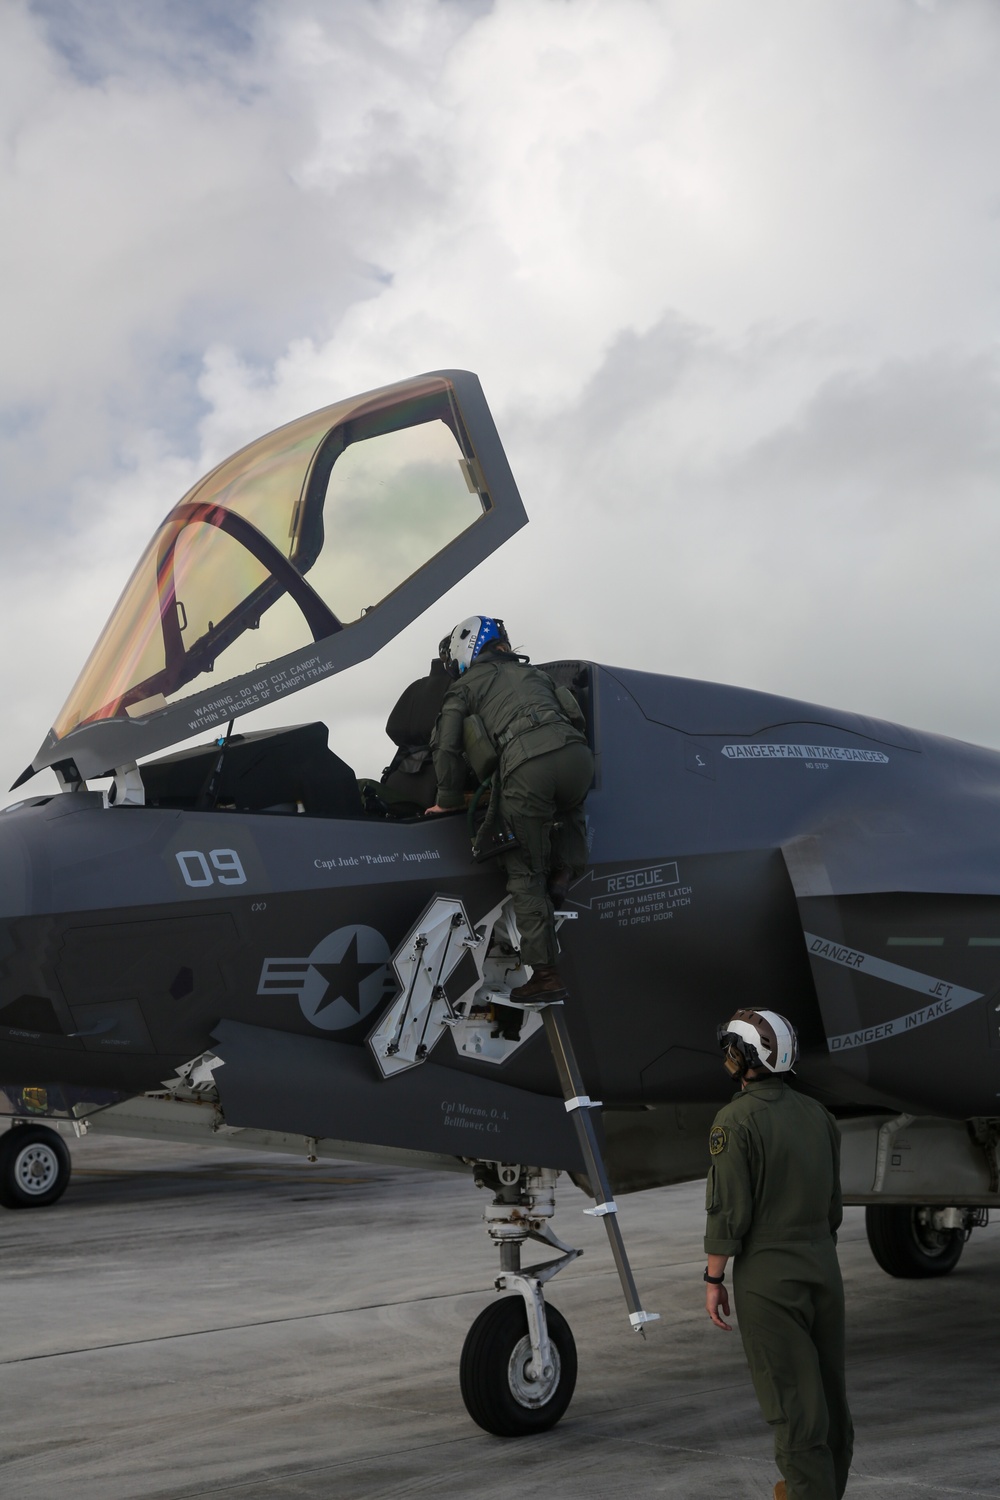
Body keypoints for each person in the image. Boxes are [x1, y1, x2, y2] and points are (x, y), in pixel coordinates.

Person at [703, 1008, 853, 1500]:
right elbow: (833, 1208)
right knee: (830, 1403)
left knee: (794, 1410)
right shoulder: (819, 1115)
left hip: (769, 1276)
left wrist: (713, 1278)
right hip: (822, 1267)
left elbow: (730, 1211)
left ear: (743, 1058)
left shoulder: (734, 1120)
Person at [425, 616, 592, 1001]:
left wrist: (448, 801)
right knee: (568, 815)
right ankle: (564, 872)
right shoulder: (536, 676)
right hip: (577, 757)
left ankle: (546, 976)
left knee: (522, 870)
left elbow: (447, 746)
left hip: (528, 765)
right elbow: (574, 716)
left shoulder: (463, 687)